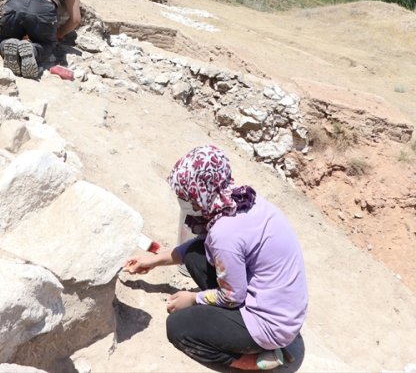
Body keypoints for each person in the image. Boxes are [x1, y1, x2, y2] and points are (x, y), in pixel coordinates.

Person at [124, 145, 308, 371]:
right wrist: (153, 260)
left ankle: (253, 361)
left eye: (186, 195)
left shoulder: (224, 234)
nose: (184, 200)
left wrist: (193, 298)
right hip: (282, 307)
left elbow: (233, 296)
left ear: (200, 192)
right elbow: (203, 246)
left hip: (270, 324)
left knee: (178, 327)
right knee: (195, 253)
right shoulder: (242, 199)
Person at [0, 0, 81, 79]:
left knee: (4, 37)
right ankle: (34, 50)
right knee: (46, 44)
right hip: (42, 8)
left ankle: (6, 44)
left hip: (16, 1)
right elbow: (76, 19)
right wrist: (58, 34)